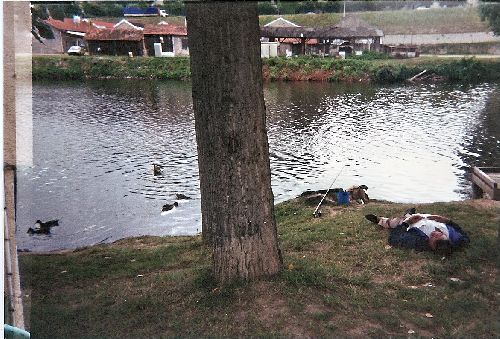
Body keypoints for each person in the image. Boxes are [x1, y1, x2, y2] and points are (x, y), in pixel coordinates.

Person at [365, 208, 470, 254]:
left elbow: (394, 238)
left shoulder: (419, 242)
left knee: (394, 223)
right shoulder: (458, 240)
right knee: (412, 216)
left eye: (432, 238)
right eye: (438, 235)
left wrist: (407, 222)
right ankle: (409, 213)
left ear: (431, 246)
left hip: (413, 223)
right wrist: (448, 221)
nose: (434, 234)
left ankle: (381, 220)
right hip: (429, 218)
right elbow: (464, 235)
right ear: (447, 239)